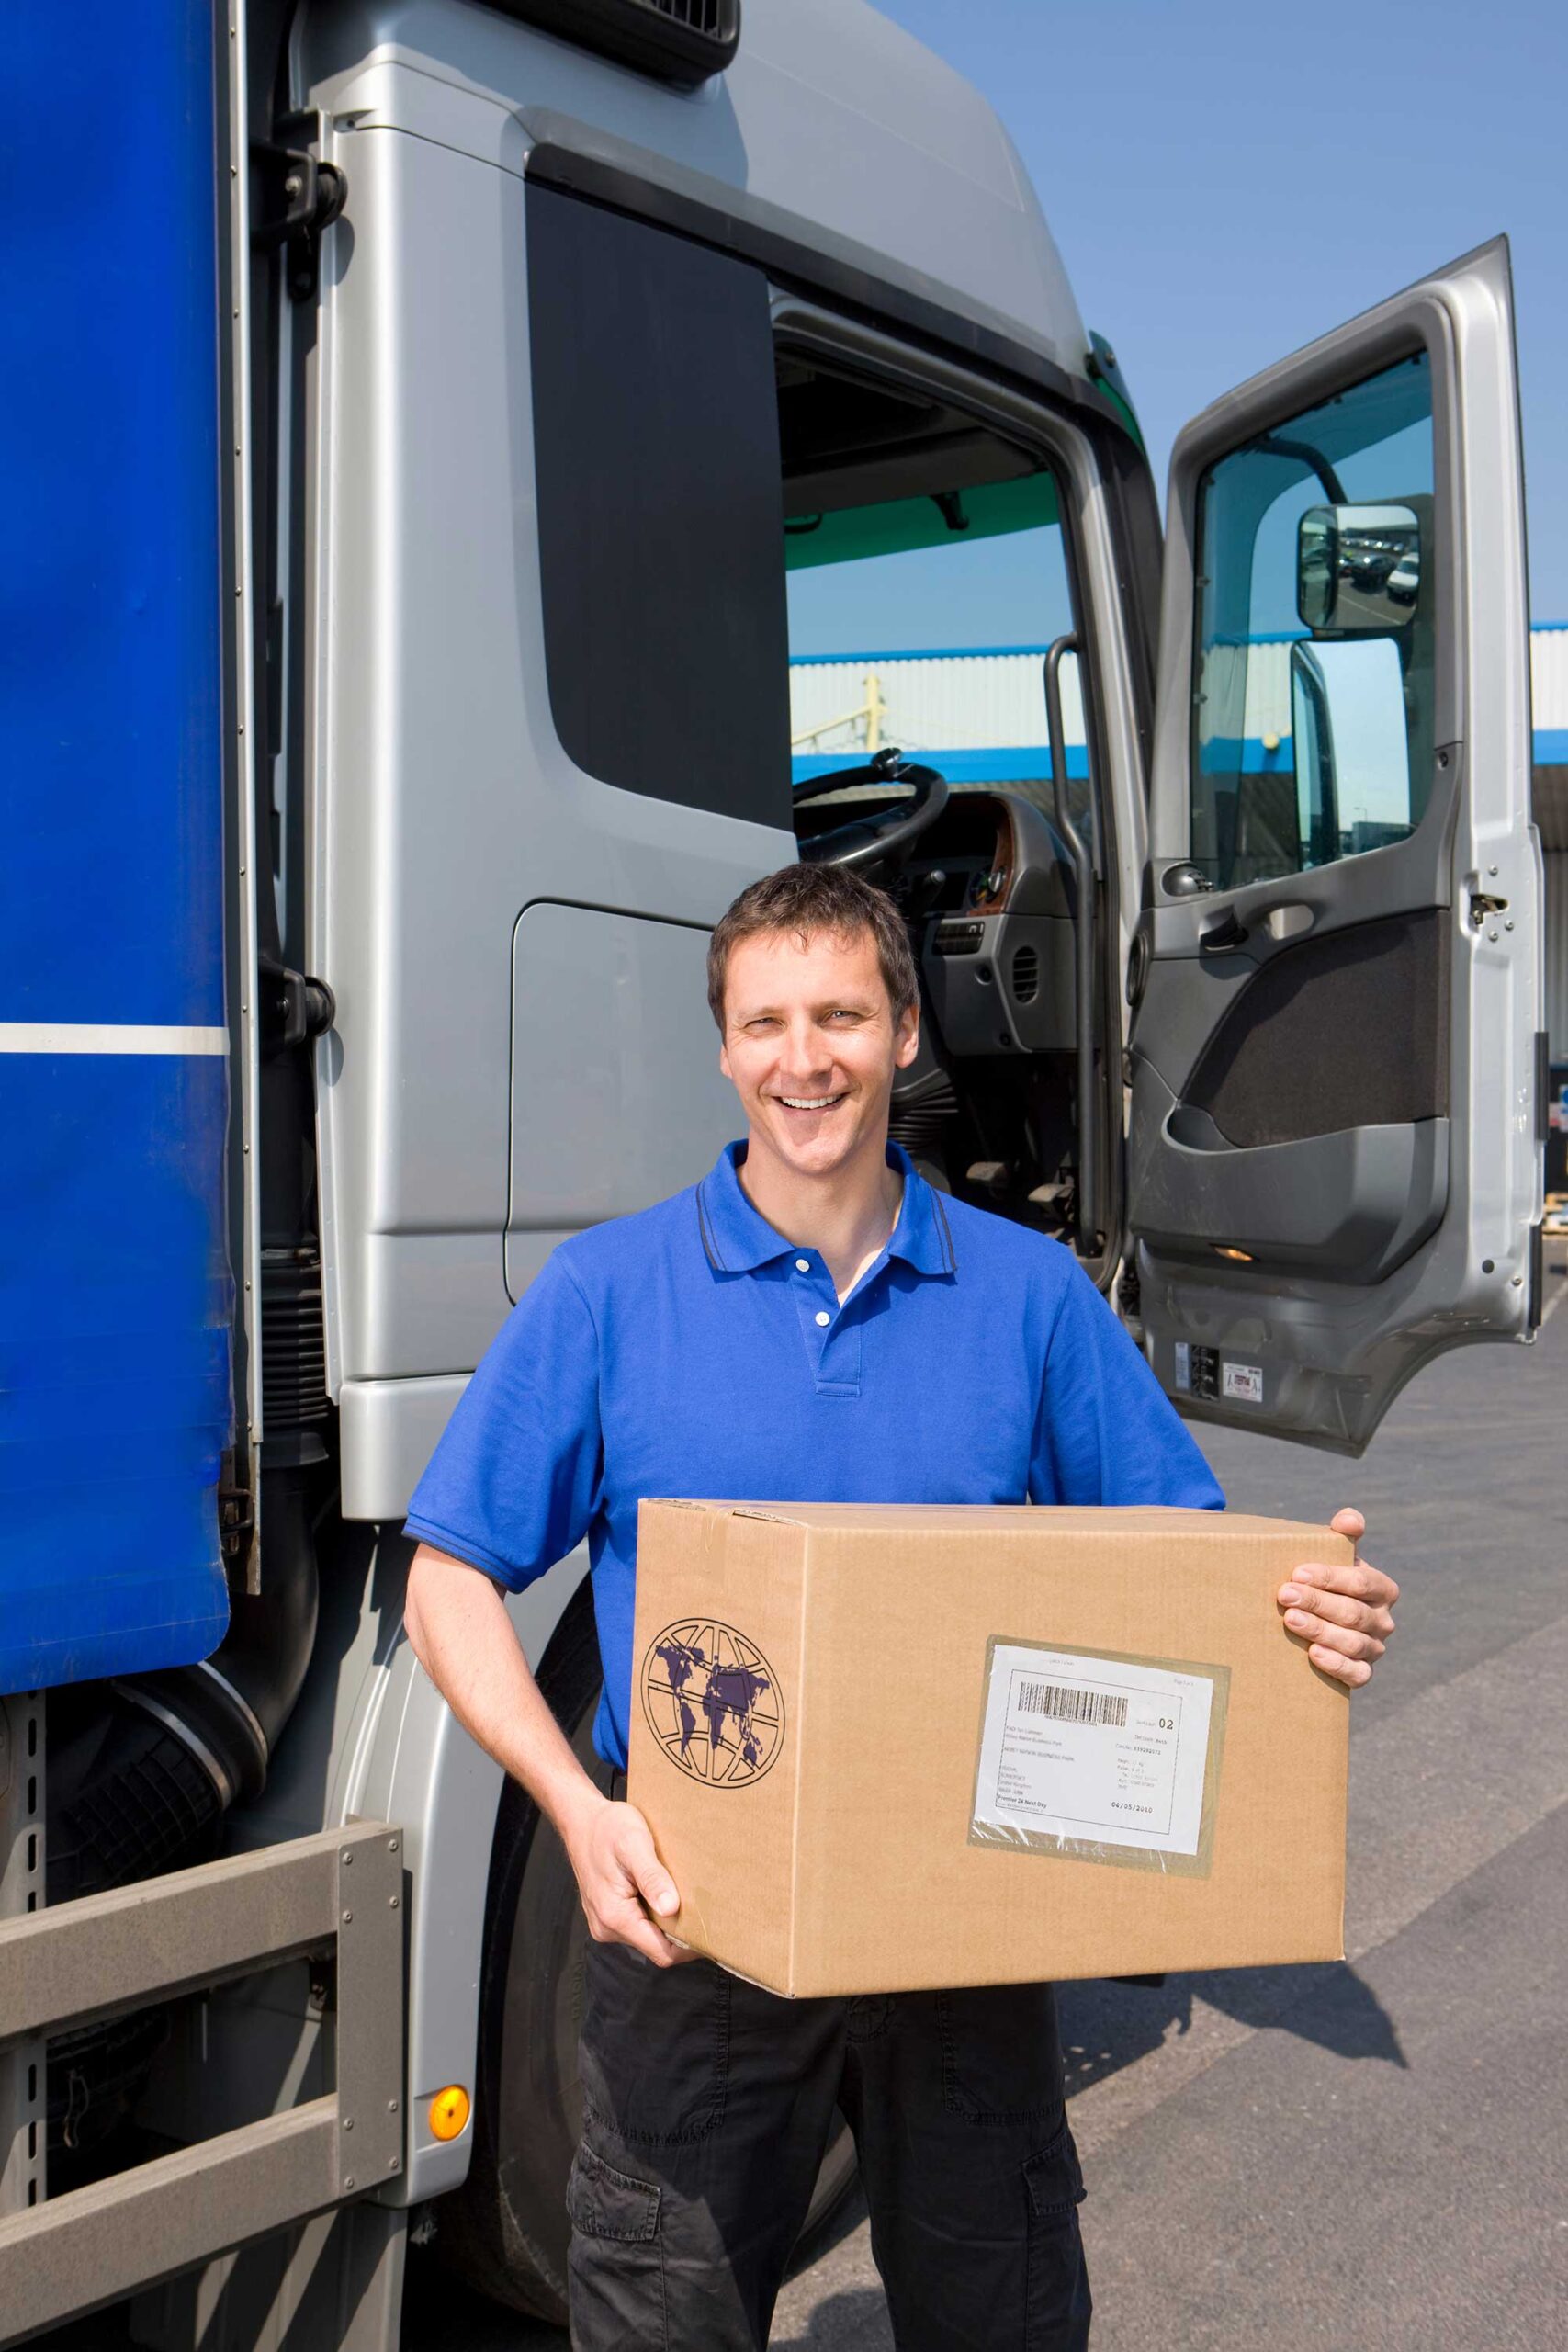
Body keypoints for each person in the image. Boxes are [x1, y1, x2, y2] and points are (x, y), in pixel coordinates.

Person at [402, 862, 1398, 2350]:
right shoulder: (607, 1294)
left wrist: (1305, 1609)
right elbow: (449, 1578)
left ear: (907, 1032)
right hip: (696, 1906)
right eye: (768, 1023)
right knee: (662, 2312)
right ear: (728, 1050)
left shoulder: (1027, 1295)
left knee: (996, 2302)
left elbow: (1181, 1565)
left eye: (842, 1017)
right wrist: (571, 1805)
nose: (805, 1059)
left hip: (961, 1914)